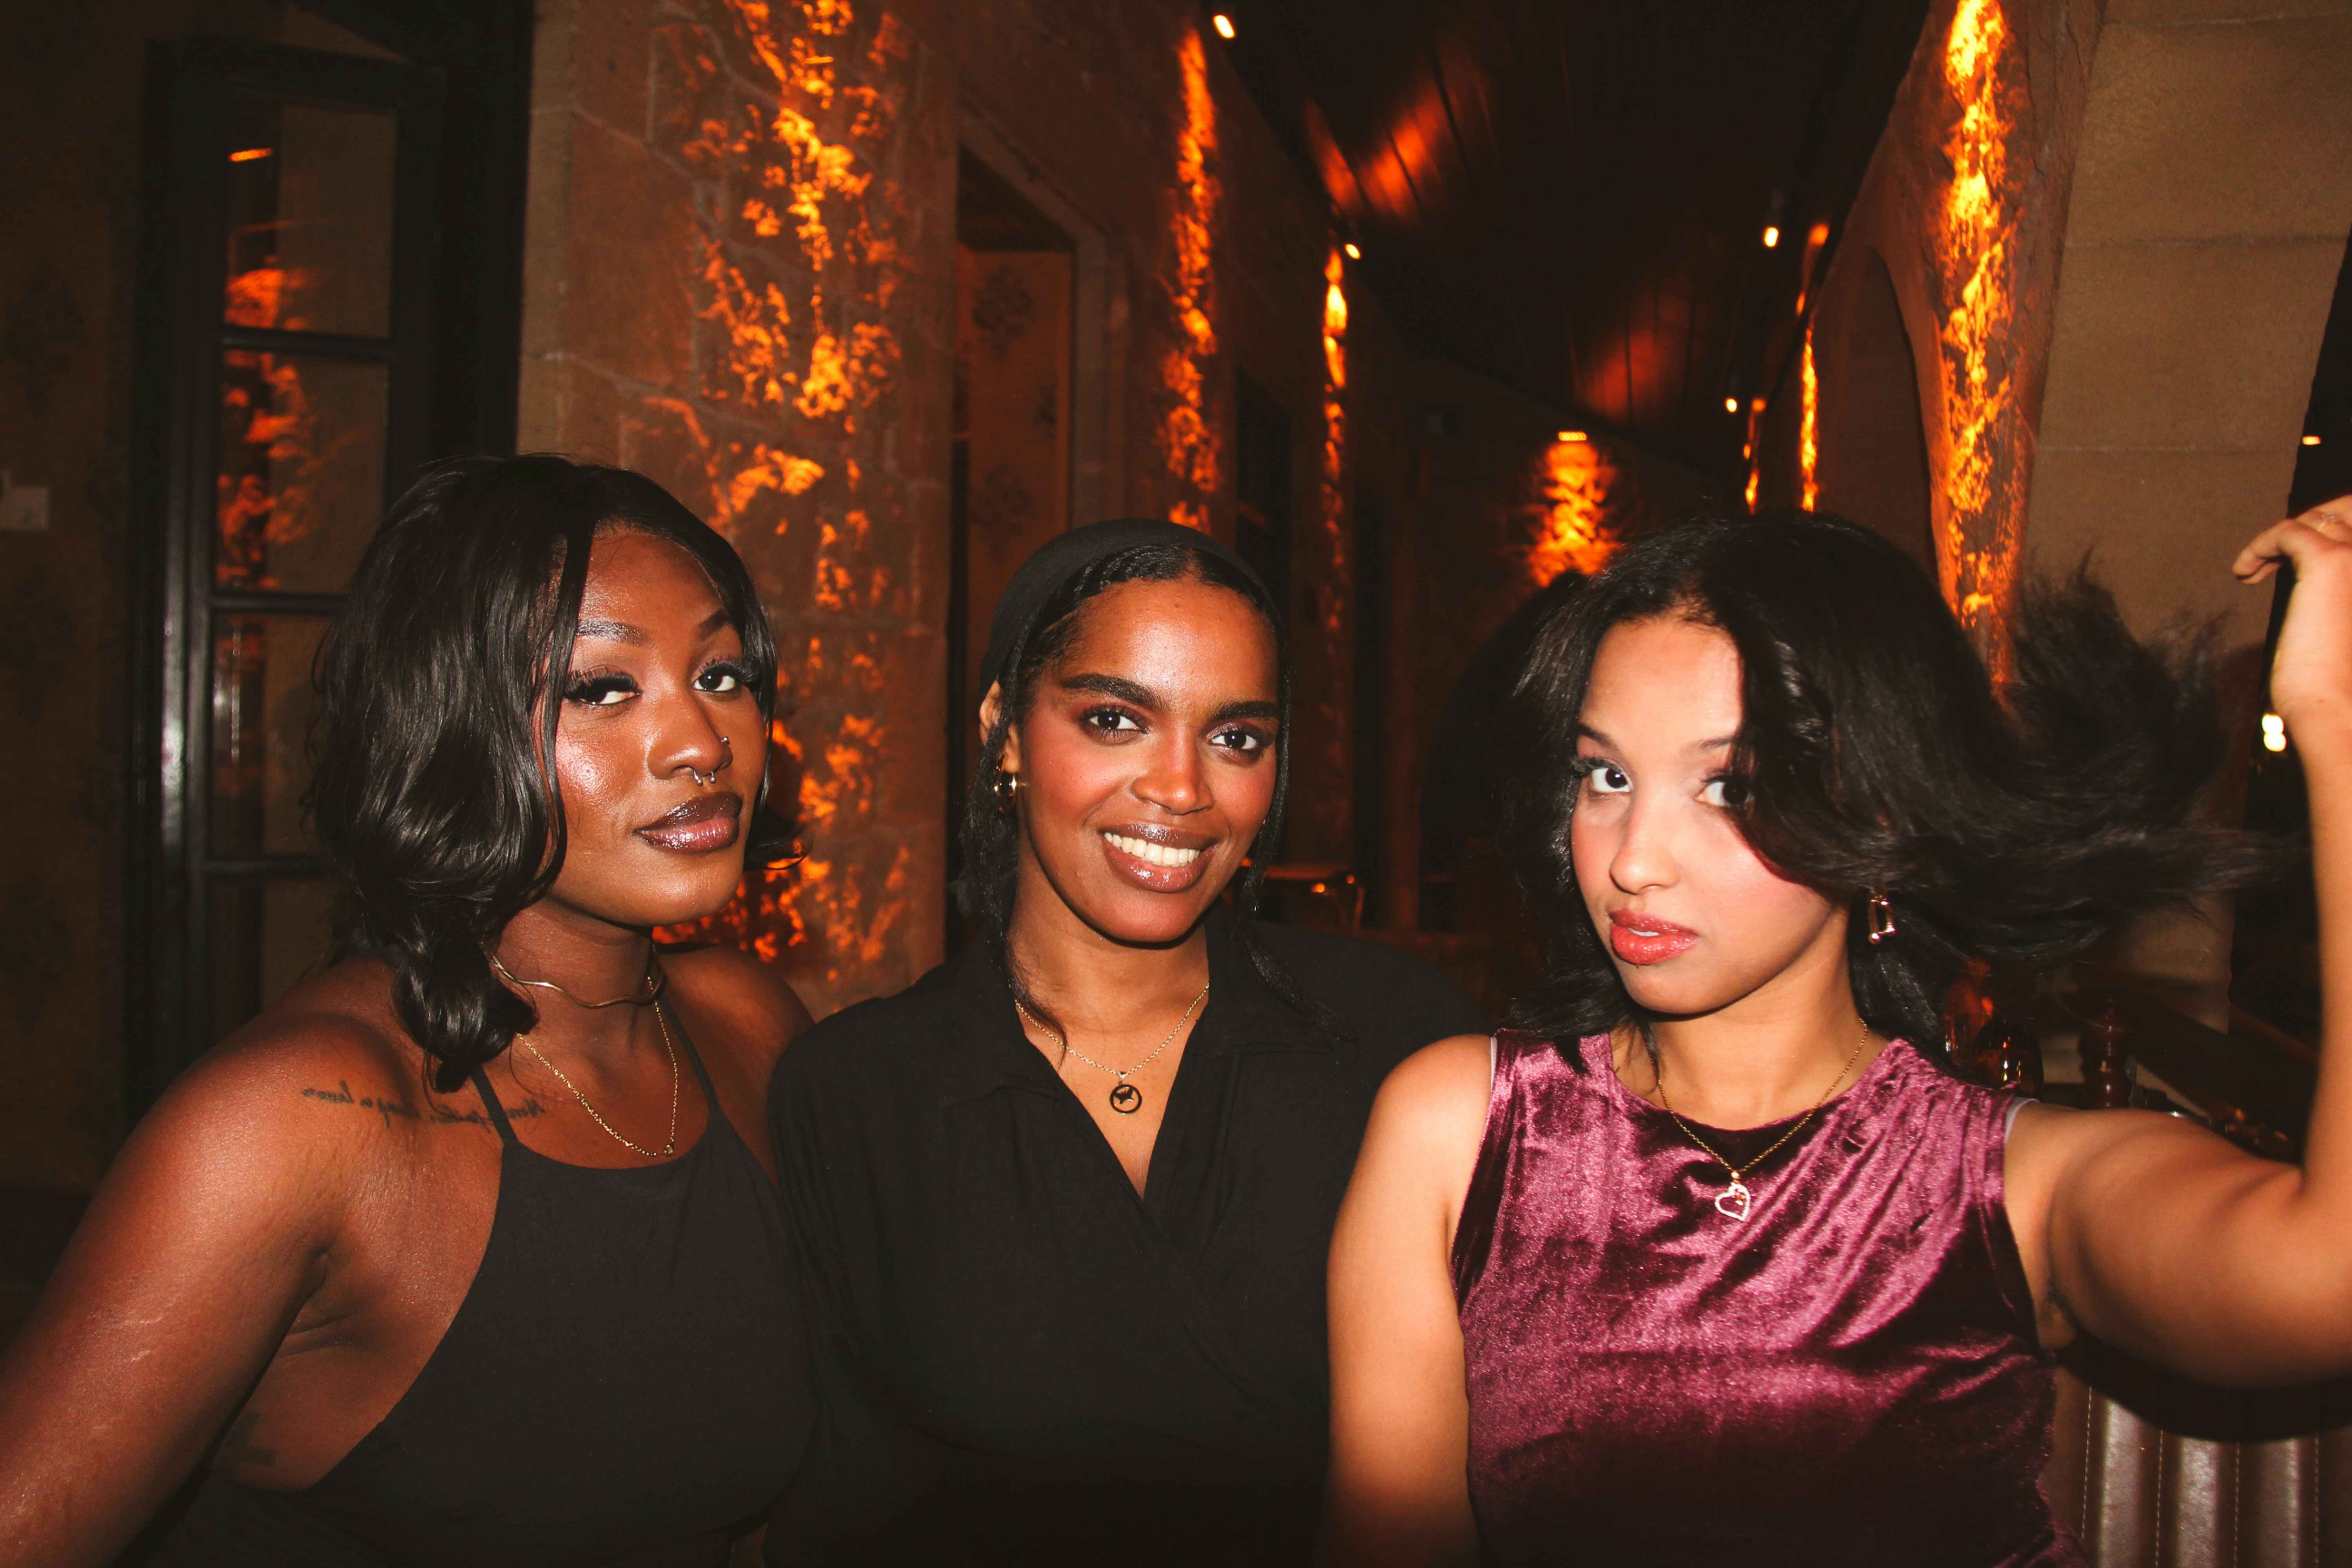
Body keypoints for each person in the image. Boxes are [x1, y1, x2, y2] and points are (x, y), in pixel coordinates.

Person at [1321, 505, 2352, 1567]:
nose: (1634, 860)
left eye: (1734, 788)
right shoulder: (1466, 1129)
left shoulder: (2008, 1182)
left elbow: (2327, 1276)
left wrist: (2339, 726)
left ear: (1883, 816)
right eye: (1607, 776)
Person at [0, 456, 816, 1566]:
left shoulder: (746, 1025)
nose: (701, 745)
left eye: (721, 674)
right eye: (601, 688)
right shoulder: (293, 1123)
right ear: (450, 721)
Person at [766, 519, 1486, 1565]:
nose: (1183, 789)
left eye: (1237, 737)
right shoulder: (857, 1094)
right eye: (1115, 719)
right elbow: (841, 1512)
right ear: (1005, 732)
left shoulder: (1400, 1047)